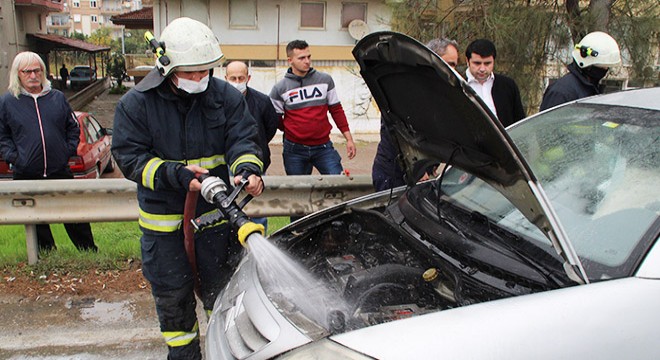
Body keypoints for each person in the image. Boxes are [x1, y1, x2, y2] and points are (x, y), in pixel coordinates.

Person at [111, 18, 264, 360]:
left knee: (225, 303)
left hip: (216, 227)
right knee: (176, 314)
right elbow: (131, 159)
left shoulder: (224, 96)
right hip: (165, 234)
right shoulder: (136, 105)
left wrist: (248, 170)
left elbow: (244, 138)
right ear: (167, 67)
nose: (199, 79)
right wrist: (176, 175)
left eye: (205, 71)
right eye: (191, 72)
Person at [0, 51, 97, 253]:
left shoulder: (57, 98)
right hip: (26, 172)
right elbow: (3, 136)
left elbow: (72, 128)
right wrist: (15, 158)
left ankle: (88, 252)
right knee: (35, 219)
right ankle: (46, 255)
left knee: (74, 215)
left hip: (59, 169)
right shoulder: (8, 102)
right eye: (27, 71)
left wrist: (66, 152)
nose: (33, 75)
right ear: (18, 74)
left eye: (37, 70)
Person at [372, 38, 459, 192]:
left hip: (421, 174)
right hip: (394, 175)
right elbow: (397, 134)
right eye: (449, 64)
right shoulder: (405, 88)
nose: (453, 70)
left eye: (455, 65)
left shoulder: (442, 92)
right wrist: (417, 169)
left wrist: (431, 166)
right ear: (431, 59)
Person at [269, 40, 356, 177]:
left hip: (323, 147)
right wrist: (293, 130)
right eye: (301, 58)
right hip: (294, 150)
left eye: (308, 57)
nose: (307, 61)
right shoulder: (280, 88)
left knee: (338, 184)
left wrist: (349, 139)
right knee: (299, 192)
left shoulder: (325, 80)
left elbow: (336, 110)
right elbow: (275, 119)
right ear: (290, 60)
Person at [225, 60, 279, 231]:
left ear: (248, 77)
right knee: (227, 207)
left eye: (241, 77)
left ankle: (257, 243)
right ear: (225, 78)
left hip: (255, 163)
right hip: (226, 163)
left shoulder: (262, 101)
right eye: (233, 78)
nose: (237, 81)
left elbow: (270, 128)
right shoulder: (218, 102)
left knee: (256, 210)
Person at [540, 31, 621, 111]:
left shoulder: (589, 89)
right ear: (588, 63)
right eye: (603, 66)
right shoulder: (562, 92)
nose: (606, 70)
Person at [465, 39, 526, 128]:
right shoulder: (457, 84)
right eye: (477, 63)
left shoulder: (507, 85)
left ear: (494, 61)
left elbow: (520, 122)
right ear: (467, 61)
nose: (482, 69)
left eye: (487, 63)